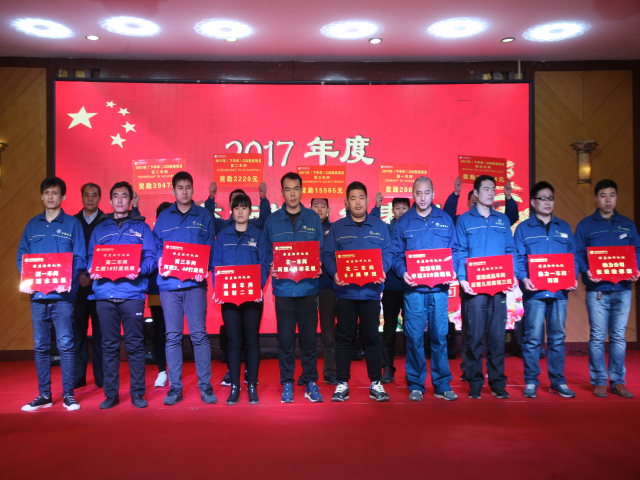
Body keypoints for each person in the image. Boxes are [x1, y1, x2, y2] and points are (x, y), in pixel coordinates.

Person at [18, 177, 86, 411]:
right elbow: (22, 258)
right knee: (40, 345)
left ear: (63, 196)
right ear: (41, 196)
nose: (50, 196)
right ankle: (44, 395)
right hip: (38, 297)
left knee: (66, 344)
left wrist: (65, 278)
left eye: (55, 193)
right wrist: (28, 279)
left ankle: (68, 394)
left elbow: (80, 258)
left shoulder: (72, 224)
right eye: (46, 192)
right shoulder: (32, 225)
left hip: (63, 297)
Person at [87, 182, 157, 409]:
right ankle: (111, 394)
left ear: (131, 201)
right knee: (108, 345)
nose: (119, 200)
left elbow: (152, 258)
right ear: (109, 201)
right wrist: (92, 269)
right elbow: (90, 258)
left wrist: (140, 269)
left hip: (132, 294)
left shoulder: (142, 228)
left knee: (135, 345)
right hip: (104, 295)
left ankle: (137, 393)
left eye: (124, 196)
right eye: (115, 196)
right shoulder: (100, 229)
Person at [323, 181, 393, 403]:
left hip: (371, 292)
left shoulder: (379, 226)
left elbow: (388, 252)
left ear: (367, 200)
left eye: (361, 197)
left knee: (372, 338)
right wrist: (334, 272)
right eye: (353, 198)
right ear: (346, 202)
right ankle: (342, 383)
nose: (357, 202)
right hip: (346, 293)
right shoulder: (337, 228)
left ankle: (376, 383)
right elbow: (327, 254)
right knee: (344, 338)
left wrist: (383, 269)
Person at [153, 171, 217, 405]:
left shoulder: (204, 215)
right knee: (172, 337)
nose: (184, 191)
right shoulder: (163, 218)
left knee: (199, 335)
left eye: (188, 187)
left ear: (193, 189)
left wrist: (205, 267)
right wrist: (160, 261)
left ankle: (205, 386)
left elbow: (210, 249)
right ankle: (175, 388)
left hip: (194, 285)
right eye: (180, 187)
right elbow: (156, 248)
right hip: (169, 286)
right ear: (173, 191)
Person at [392, 177, 458, 401]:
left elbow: (455, 250)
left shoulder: (445, 219)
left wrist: (453, 269)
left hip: (439, 291)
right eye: (418, 193)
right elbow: (396, 254)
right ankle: (416, 384)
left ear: (433, 194)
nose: (422, 198)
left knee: (440, 337)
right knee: (414, 338)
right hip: (414, 292)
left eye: (426, 193)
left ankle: (442, 384)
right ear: (413, 194)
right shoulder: (404, 222)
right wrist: (403, 272)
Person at [575, 179, 640, 399]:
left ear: (616, 197)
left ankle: (618, 381)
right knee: (597, 337)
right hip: (598, 290)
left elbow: (637, 250)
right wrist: (586, 271)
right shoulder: (586, 225)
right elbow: (578, 253)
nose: (608, 199)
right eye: (603, 195)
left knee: (619, 337)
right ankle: (600, 381)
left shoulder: (627, 224)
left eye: (612, 195)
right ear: (596, 198)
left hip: (623, 289)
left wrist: (637, 269)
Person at [264, 172, 324, 403]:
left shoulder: (313, 218)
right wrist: (271, 266)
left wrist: (318, 265)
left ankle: (310, 381)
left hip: (309, 288)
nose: (292, 194)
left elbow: (319, 250)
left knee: (309, 340)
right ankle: (287, 382)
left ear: (302, 190)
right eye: (288, 189)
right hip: (284, 290)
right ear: (282, 192)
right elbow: (267, 253)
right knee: (286, 340)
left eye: (296, 189)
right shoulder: (272, 221)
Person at [514, 181, 578, 399]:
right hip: (535, 292)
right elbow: (518, 258)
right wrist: (523, 278)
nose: (548, 202)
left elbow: (573, 257)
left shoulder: (564, 227)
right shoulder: (523, 229)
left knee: (557, 337)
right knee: (532, 338)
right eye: (543, 198)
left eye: (551, 198)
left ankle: (558, 381)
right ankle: (531, 381)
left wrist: (573, 277)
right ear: (533, 202)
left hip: (559, 292)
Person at [456, 175, 517, 400]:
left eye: (493, 189)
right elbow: (460, 250)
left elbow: (510, 250)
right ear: (476, 193)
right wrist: (462, 279)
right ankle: (475, 382)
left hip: (499, 287)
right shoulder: (464, 220)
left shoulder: (502, 220)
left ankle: (497, 382)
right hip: (474, 289)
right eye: (486, 189)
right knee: (473, 338)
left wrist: (512, 275)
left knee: (497, 337)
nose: (491, 193)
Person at [212, 193, 269, 405]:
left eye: (244, 207)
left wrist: (257, 287)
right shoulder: (222, 236)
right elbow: (216, 265)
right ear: (231, 210)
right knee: (234, 343)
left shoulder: (258, 236)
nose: (240, 211)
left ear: (250, 211)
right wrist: (219, 289)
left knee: (252, 341)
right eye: (237, 208)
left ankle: (252, 384)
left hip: (252, 297)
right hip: (229, 298)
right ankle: (234, 385)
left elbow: (264, 264)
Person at [371, 195, 410, 383]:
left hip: (412, 287)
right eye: (398, 208)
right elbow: (372, 226)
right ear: (392, 210)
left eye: (404, 208)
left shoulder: (414, 228)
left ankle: (412, 370)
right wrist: (376, 208)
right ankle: (387, 368)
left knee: (412, 330)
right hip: (392, 287)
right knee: (389, 329)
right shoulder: (386, 229)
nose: (401, 211)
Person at [73, 182, 107, 389]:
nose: (91, 198)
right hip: (77, 288)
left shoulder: (107, 221)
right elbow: (68, 252)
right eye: (87, 195)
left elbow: (110, 251)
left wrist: (94, 274)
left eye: (94, 195)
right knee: (78, 334)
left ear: (100, 198)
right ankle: (78, 377)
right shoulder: (72, 222)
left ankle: (101, 378)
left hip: (100, 286)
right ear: (82, 197)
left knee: (100, 336)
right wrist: (79, 274)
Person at [310, 197, 338, 385]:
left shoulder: (334, 229)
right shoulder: (306, 229)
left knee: (329, 333)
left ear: (328, 209)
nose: (319, 209)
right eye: (316, 206)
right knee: (308, 333)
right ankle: (309, 373)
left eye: (323, 206)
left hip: (328, 287)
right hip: (308, 287)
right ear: (310, 208)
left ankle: (330, 371)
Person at [148, 202, 172, 387]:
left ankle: (174, 370)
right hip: (156, 289)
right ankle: (162, 371)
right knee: (159, 331)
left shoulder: (176, 234)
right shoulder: (151, 235)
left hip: (175, 288)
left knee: (173, 332)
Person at [443, 176, 519, 226]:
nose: (477, 205)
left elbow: (512, 217)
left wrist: (508, 196)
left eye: (492, 189)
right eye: (474, 202)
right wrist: (456, 193)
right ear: (468, 205)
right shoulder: (462, 220)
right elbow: (447, 218)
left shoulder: (497, 219)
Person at [206, 181, 271, 235]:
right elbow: (208, 220)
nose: (238, 202)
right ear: (229, 205)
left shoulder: (253, 224)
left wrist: (263, 198)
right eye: (235, 199)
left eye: (241, 199)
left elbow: (265, 221)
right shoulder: (221, 225)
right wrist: (211, 197)